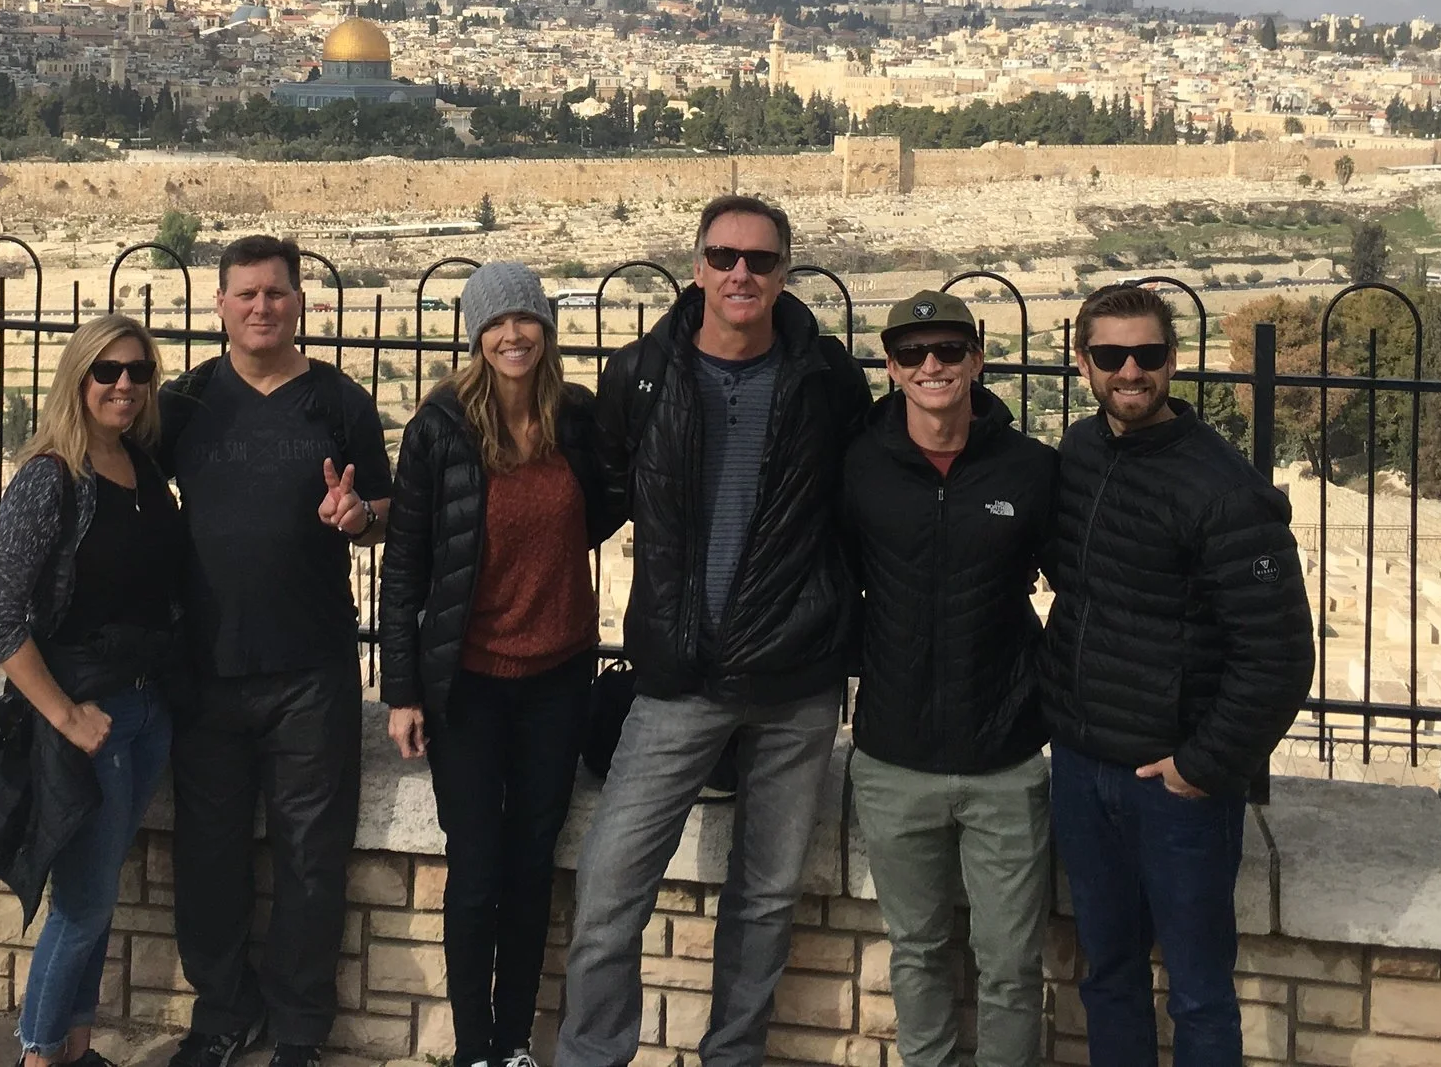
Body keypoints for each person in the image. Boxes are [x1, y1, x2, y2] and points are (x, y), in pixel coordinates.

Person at [555, 195, 871, 1067]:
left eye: (760, 260)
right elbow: (595, 500)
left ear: (784, 274)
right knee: (609, 889)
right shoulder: (642, 375)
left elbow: (864, 505)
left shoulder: (827, 381)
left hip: (796, 678)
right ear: (696, 267)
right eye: (725, 256)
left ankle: (733, 1055)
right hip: (677, 677)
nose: (741, 272)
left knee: (765, 899)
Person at [1041, 283, 1315, 1067]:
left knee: (1198, 993)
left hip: (1175, 786)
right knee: (1110, 976)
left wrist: (1202, 764)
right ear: (1083, 362)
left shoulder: (1223, 487)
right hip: (1083, 764)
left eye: (1148, 353)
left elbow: (1280, 653)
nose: (1130, 370)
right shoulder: (1080, 452)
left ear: (1173, 360)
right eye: (1111, 354)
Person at [158, 235, 393, 1067]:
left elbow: (387, 511)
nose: (262, 306)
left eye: (276, 292)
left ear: (300, 302)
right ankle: (224, 1012)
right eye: (246, 293)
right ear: (220, 304)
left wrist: (358, 516)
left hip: (311, 670)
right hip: (205, 668)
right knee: (207, 855)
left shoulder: (339, 400)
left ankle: (299, 1027)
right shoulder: (183, 402)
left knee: (310, 858)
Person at [382, 262, 621, 1067]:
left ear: (545, 328)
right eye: (496, 322)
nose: (513, 334)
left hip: (558, 677)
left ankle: (515, 1040)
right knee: (477, 866)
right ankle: (474, 1048)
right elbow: (405, 565)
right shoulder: (440, 427)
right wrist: (402, 691)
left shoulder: (574, 418)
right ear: (476, 336)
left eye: (525, 319)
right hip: (470, 683)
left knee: (531, 864)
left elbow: (604, 505)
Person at [841, 290, 1057, 1067]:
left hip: (1003, 758)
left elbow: (1082, 586)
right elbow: (832, 576)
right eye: (912, 352)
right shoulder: (859, 466)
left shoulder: (1031, 469)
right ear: (892, 368)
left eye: (948, 349)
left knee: (1012, 965)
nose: (931, 364)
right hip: (893, 756)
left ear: (977, 359)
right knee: (918, 950)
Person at [0, 313, 186, 1067]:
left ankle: (76, 1047)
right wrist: (66, 716)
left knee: (98, 897)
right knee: (84, 900)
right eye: (107, 370)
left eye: (139, 371)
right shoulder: (50, 477)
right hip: (91, 714)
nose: (124, 384)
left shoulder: (140, 466)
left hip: (146, 707)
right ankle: (38, 1054)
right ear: (78, 377)